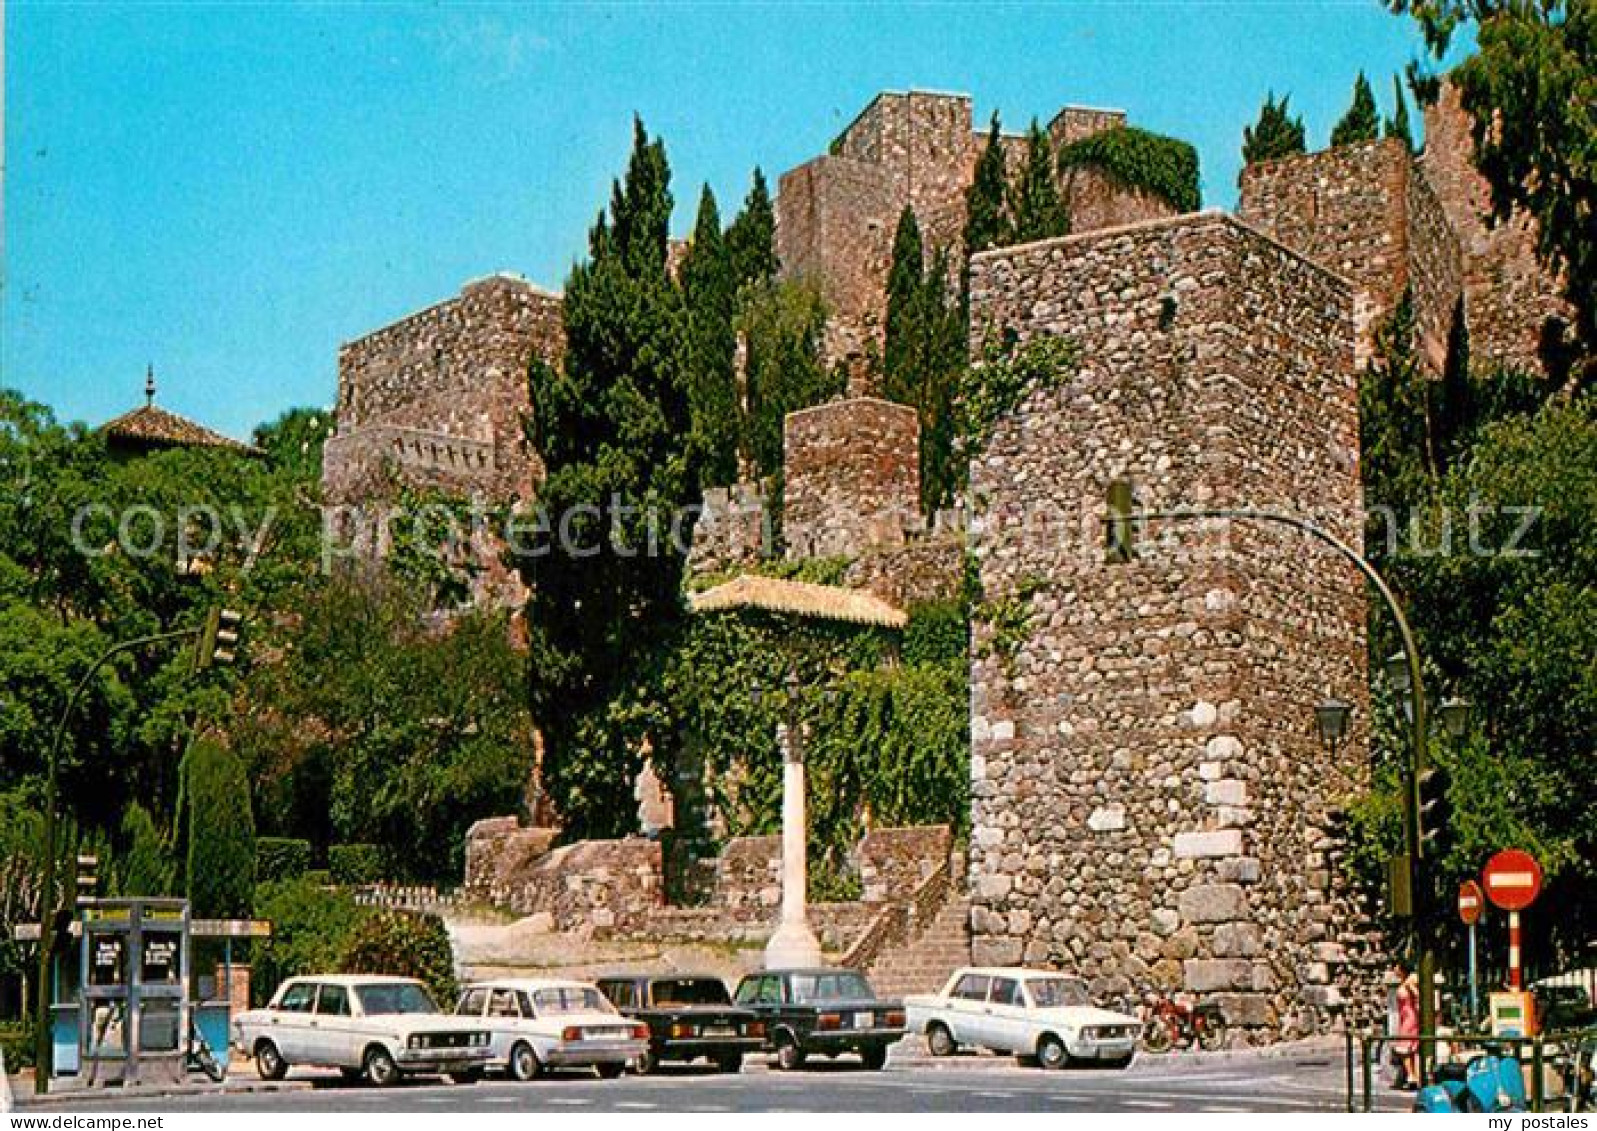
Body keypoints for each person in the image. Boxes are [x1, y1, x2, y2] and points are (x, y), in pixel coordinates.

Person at [1392, 962, 1420, 1090]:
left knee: (1404, 1046)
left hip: (1410, 1016)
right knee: (1408, 1046)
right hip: (1405, 1016)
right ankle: (1412, 1075)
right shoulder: (1404, 981)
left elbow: (1417, 995)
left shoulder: (1410, 981)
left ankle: (1411, 1075)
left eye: (1397, 967)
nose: (1394, 969)